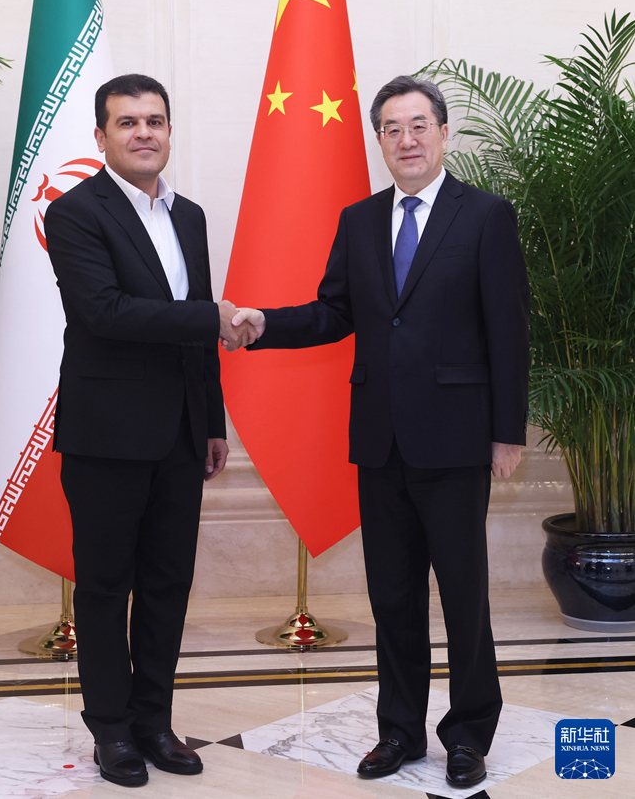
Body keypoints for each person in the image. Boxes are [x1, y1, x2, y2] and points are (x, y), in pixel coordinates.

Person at [228, 76, 529, 788]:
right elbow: (334, 312)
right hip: (380, 439)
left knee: (463, 596)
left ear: (444, 133)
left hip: (456, 438)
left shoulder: (485, 215)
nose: (407, 139)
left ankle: (468, 734)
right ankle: (399, 731)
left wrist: (507, 431)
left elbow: (508, 329)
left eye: (419, 125)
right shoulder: (360, 220)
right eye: (392, 128)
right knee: (392, 595)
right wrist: (265, 323)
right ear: (380, 141)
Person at [44, 74, 254, 788]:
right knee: (106, 587)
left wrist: (211, 419)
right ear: (101, 137)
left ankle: (154, 722)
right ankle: (110, 730)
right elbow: (104, 311)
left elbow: (194, 323)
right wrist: (213, 317)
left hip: (181, 434)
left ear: (169, 131)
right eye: (127, 122)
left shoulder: (189, 215)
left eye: (155, 121)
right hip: (106, 434)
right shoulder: (75, 212)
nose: (143, 133)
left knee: (168, 583)